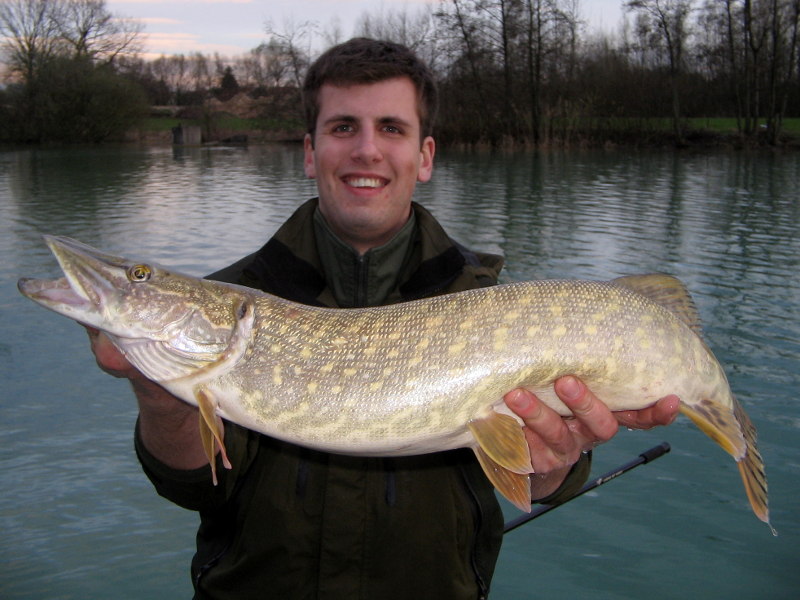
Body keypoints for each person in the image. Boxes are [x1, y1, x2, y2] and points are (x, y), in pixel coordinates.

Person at [87, 38, 679, 599]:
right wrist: (160, 390)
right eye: (343, 127)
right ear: (310, 151)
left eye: (391, 128)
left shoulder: (494, 305)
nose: (366, 150)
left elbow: (545, 477)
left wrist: (554, 464)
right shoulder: (237, 298)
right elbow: (192, 485)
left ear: (424, 156)